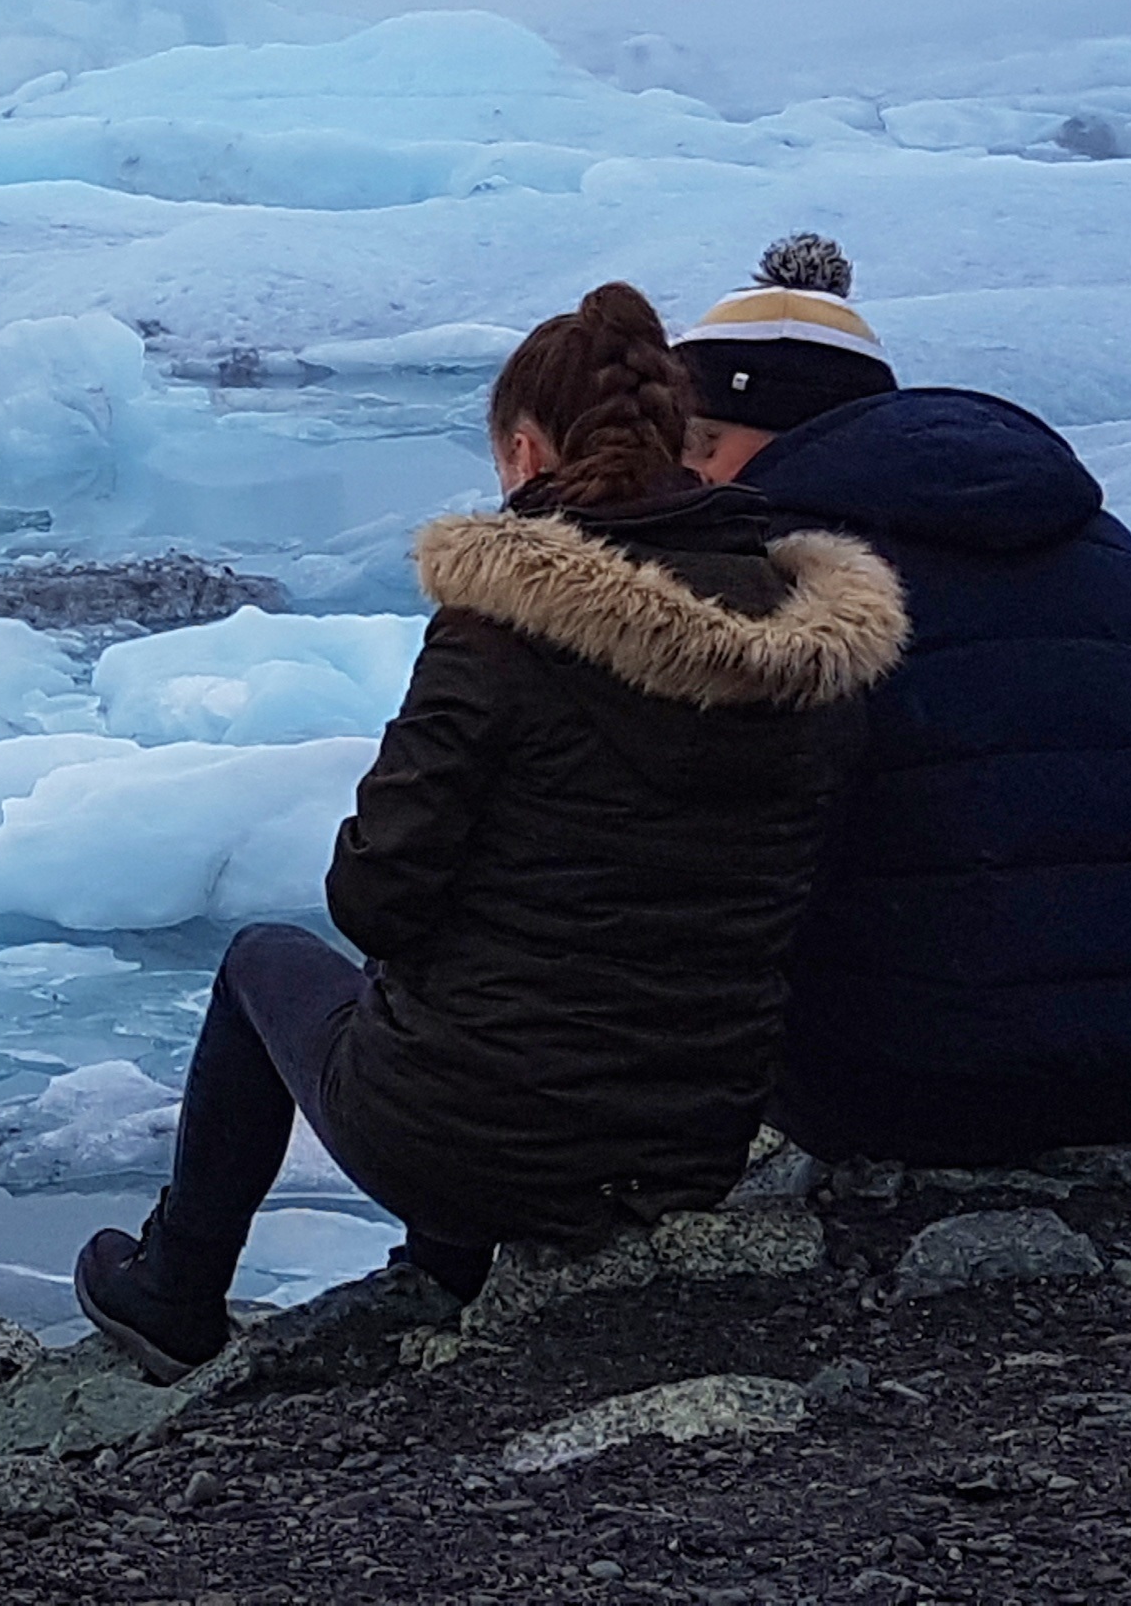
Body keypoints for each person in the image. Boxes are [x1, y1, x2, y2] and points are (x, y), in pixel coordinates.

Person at [74, 283, 907, 1378]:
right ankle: (452, 1262)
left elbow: (374, 895)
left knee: (262, 966)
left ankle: (178, 1287)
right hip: (692, 1136)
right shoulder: (810, 642)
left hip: (473, 1139)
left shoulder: (499, 632)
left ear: (523, 451)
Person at [676, 236, 1131, 1166]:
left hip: (883, 1089)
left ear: (740, 434)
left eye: (693, 445)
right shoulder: (1111, 550)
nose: (685, 477)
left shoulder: (775, 576)